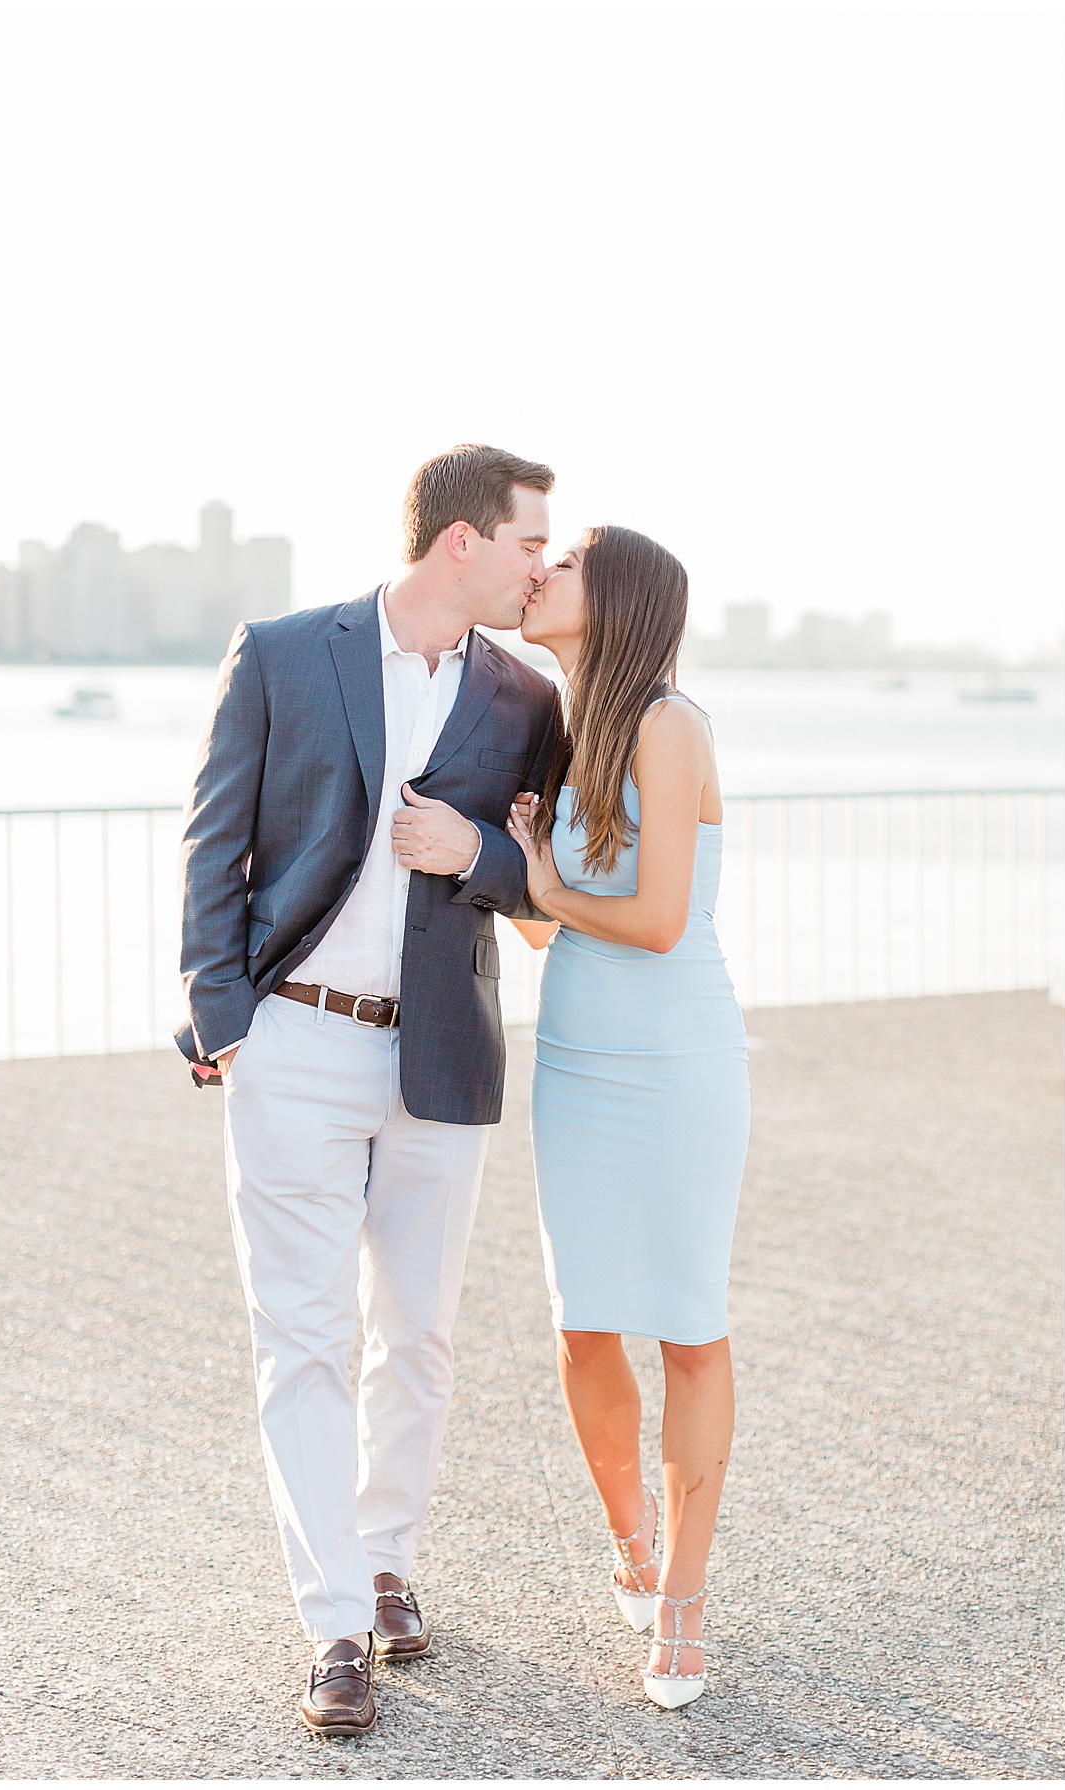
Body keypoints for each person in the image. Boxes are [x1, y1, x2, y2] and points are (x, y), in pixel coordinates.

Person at [176, 445, 561, 1736]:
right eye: (526, 542)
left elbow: (547, 881)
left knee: (422, 1334)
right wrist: (224, 1016)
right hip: (292, 1043)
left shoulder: (526, 693)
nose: (538, 564)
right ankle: (335, 1620)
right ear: (462, 540)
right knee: (303, 1340)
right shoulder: (285, 652)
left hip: (441, 1052)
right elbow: (212, 836)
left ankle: (386, 1556)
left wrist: (481, 855)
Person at [506, 526, 750, 1711]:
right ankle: (631, 1534)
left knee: (690, 1330)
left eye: (565, 566)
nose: (539, 574)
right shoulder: (564, 732)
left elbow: (655, 920)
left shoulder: (669, 723)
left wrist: (540, 883)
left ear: (618, 600)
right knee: (582, 1323)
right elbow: (552, 927)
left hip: (678, 1060)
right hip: (575, 1055)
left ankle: (685, 1600)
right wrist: (508, 878)